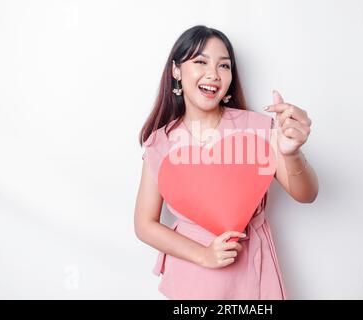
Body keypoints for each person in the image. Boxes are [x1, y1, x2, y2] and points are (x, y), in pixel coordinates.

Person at [134, 25, 319, 300]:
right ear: (176, 71)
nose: (213, 74)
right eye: (200, 62)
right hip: (191, 276)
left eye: (224, 65)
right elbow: (144, 224)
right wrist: (204, 255)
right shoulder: (160, 142)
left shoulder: (257, 128)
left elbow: (307, 195)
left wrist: (291, 153)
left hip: (251, 276)